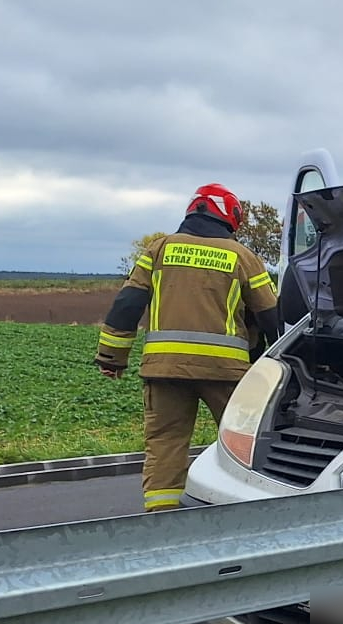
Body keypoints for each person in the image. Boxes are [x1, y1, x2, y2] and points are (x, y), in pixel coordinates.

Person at [97, 185, 282, 511]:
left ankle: (162, 518)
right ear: (230, 217)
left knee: (166, 443)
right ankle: (247, 512)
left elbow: (127, 305)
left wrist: (112, 358)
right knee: (243, 444)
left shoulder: (158, 250)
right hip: (225, 373)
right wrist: (280, 366)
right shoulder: (242, 257)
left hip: (164, 369)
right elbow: (270, 315)